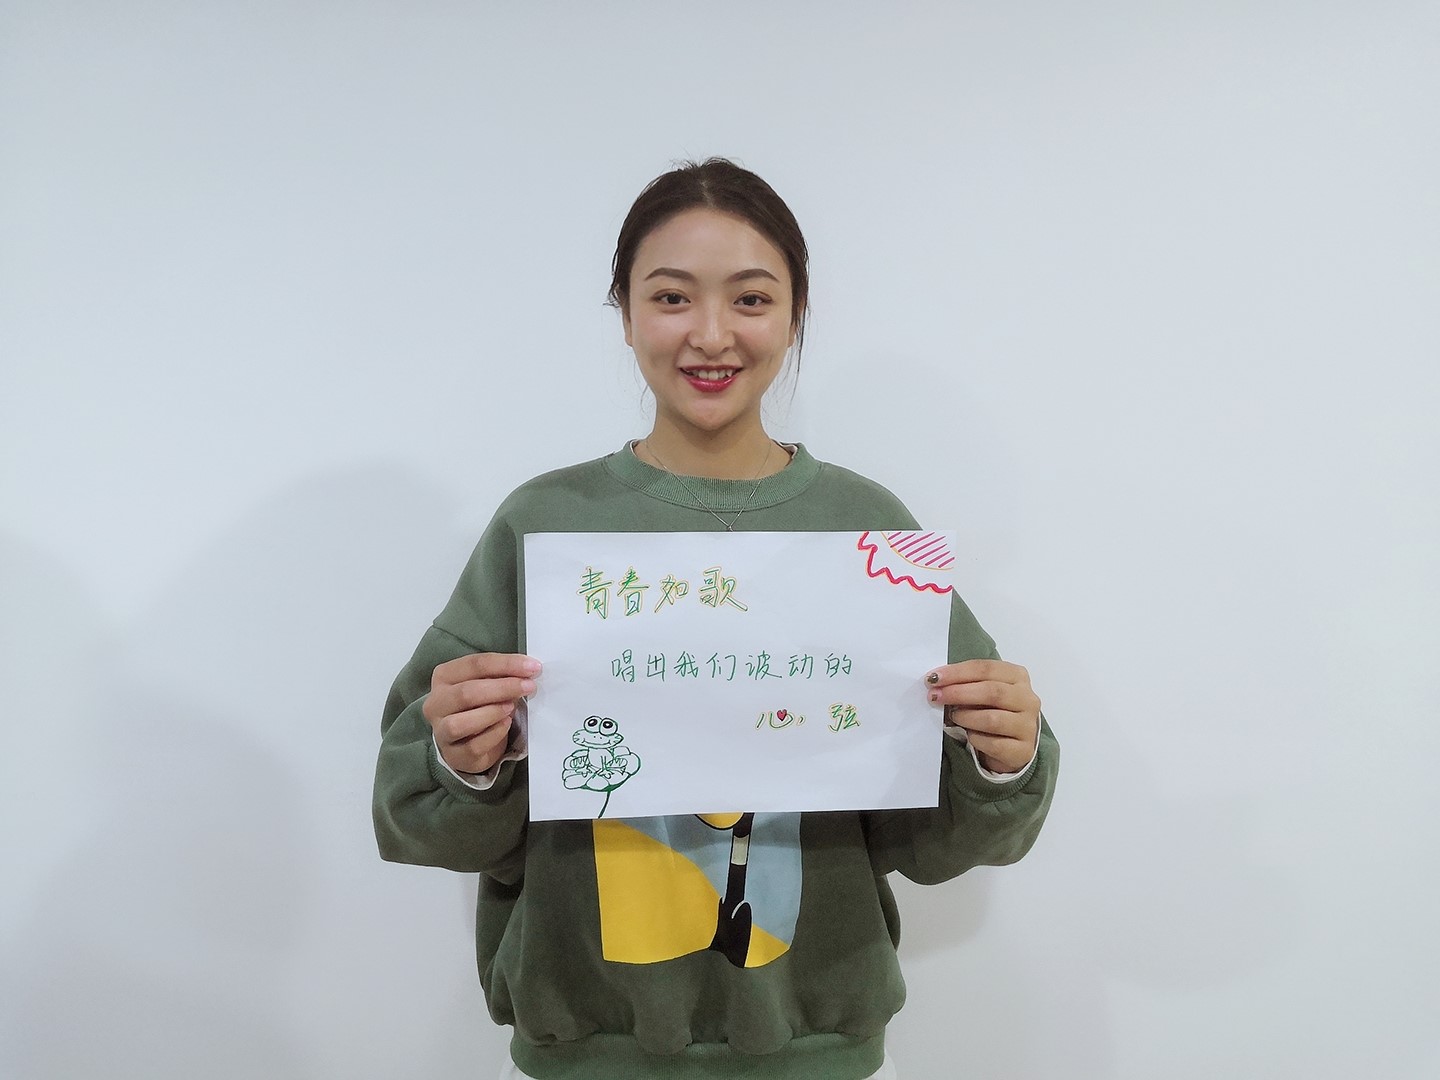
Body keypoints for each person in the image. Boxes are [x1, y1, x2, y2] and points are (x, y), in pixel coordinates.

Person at [372, 158, 1059, 1080]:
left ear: (795, 315)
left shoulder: (869, 533)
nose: (709, 334)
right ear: (624, 314)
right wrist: (464, 758)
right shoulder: (543, 526)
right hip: (586, 1055)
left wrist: (1001, 755)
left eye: (751, 299)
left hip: (817, 1052)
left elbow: (932, 839)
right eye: (670, 297)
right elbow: (423, 821)